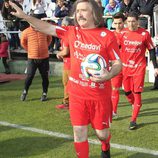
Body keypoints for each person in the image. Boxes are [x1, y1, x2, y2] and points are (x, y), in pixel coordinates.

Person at [9, 0, 122, 157]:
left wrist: (108, 75)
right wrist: (24, 16)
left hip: (99, 96)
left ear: (94, 14)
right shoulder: (71, 31)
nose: (79, 14)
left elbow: (118, 63)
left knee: (101, 133)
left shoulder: (107, 36)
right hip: (77, 96)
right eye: (77, 11)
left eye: (84, 10)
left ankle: (105, 146)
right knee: (79, 132)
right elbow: (46, 27)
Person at [120, 12, 158, 130]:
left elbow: (151, 50)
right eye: (129, 21)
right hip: (125, 68)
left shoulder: (144, 34)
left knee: (137, 93)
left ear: (138, 21)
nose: (131, 24)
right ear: (126, 22)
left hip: (139, 68)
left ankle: (133, 120)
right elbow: (116, 48)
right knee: (127, 92)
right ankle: (135, 104)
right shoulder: (123, 33)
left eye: (133, 21)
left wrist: (155, 66)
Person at [20, 23, 52, 101]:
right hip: (32, 58)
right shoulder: (26, 32)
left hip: (44, 57)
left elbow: (49, 39)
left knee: (45, 77)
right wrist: (30, 50)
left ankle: (44, 94)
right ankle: (25, 92)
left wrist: (44, 47)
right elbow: (23, 43)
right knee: (29, 76)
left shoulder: (44, 30)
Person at [111, 12, 126, 118]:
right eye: (115, 23)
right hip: (117, 66)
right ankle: (114, 112)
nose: (117, 26)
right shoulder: (111, 35)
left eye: (120, 23)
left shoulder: (129, 34)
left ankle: (135, 104)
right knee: (115, 89)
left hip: (130, 66)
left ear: (123, 22)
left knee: (131, 91)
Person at [56, 16, 72, 109]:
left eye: (62, 24)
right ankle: (67, 101)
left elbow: (66, 52)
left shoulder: (67, 35)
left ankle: (67, 102)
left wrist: (59, 53)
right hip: (68, 63)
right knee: (67, 83)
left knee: (68, 84)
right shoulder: (69, 35)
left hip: (69, 64)